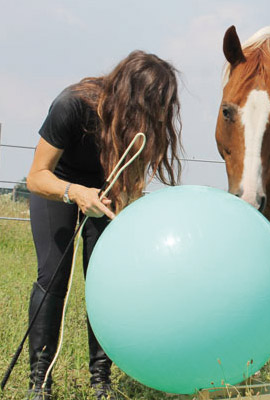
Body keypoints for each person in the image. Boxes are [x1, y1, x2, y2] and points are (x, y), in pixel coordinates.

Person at [25, 50, 183, 400]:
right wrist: (76, 193)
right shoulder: (72, 105)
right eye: (152, 104)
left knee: (105, 281)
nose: (157, 115)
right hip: (59, 186)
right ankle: (40, 381)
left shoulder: (141, 128)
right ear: (130, 95)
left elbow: (134, 185)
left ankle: (101, 379)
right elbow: (36, 177)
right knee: (52, 278)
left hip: (106, 190)